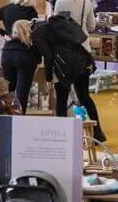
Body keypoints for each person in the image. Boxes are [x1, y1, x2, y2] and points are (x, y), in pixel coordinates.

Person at [31, 11, 104, 141]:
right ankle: (98, 133)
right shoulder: (54, 24)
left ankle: (63, 136)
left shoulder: (37, 33)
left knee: (61, 100)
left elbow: (48, 55)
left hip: (65, 67)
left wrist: (48, 78)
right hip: (82, 60)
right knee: (85, 97)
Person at [0, 0, 41, 114]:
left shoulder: (6, 9)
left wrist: (4, 33)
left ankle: (6, 122)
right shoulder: (31, 12)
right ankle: (19, 122)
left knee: (8, 93)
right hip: (25, 54)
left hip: (8, 54)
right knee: (21, 95)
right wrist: (38, 58)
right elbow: (35, 35)